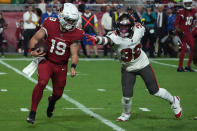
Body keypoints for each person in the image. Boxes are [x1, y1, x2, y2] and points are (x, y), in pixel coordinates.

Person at [86, 13, 182, 121]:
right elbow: (106, 40)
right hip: (128, 68)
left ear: (131, 26)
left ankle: (174, 100)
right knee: (127, 96)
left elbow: (142, 27)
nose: (123, 29)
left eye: (126, 26)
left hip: (142, 64)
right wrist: (97, 39)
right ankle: (126, 114)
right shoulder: (115, 36)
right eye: (121, 26)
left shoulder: (138, 29)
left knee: (154, 91)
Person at [26, 3, 84, 124]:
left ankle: (51, 101)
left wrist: (73, 66)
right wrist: (32, 51)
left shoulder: (76, 32)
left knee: (58, 94)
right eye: (68, 19)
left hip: (62, 65)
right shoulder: (50, 23)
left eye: (72, 20)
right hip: (46, 61)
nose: (70, 23)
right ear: (62, 16)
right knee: (42, 83)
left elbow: (74, 54)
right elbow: (35, 39)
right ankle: (32, 112)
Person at [174, 0, 196, 72]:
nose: (188, 4)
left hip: (188, 32)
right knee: (184, 48)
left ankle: (188, 66)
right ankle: (180, 67)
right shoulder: (181, 12)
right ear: (184, 4)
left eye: (189, 3)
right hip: (181, 32)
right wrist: (180, 32)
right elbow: (176, 25)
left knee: (193, 47)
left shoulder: (193, 10)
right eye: (187, 3)